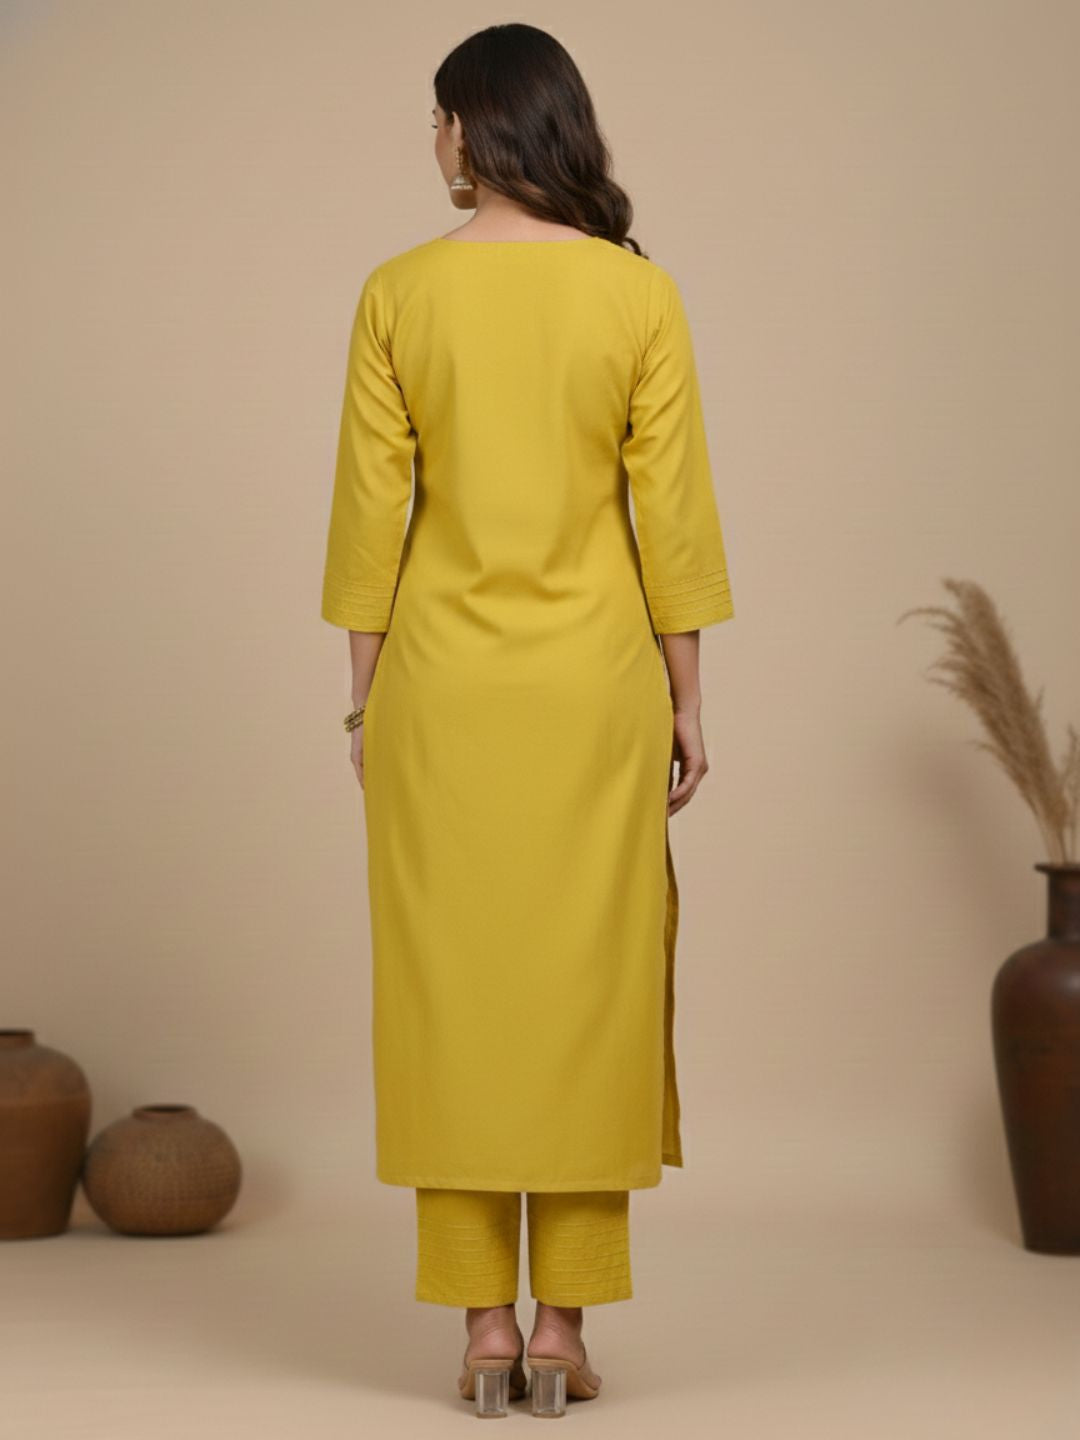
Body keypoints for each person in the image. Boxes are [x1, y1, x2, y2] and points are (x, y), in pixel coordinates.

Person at [320, 22, 735, 1419]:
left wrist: (365, 697)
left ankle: (482, 1330)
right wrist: (688, 697)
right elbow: (672, 516)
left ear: (467, 128)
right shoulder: (638, 296)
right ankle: (563, 1329)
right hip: (594, 691)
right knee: (587, 994)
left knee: (449, 1000)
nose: (431, 141)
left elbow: (370, 522)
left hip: (440, 692)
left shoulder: (398, 293)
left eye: (436, 119)